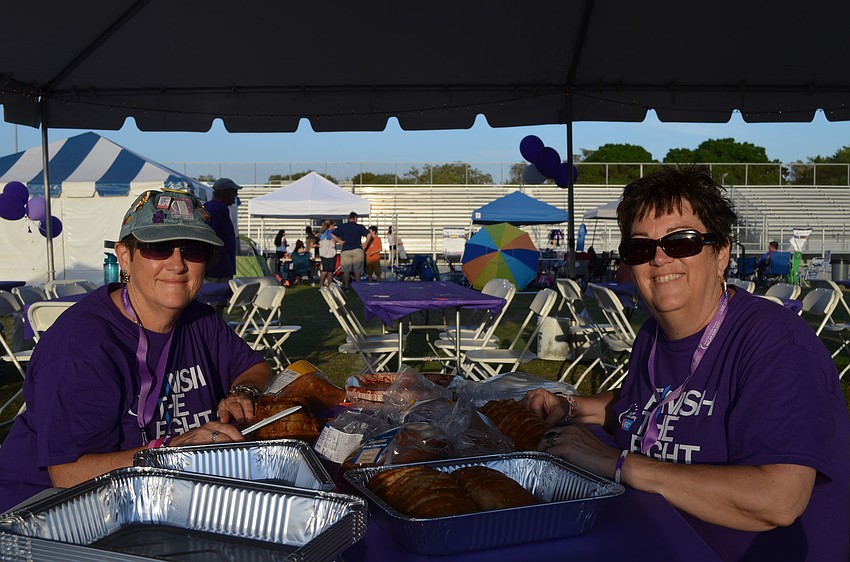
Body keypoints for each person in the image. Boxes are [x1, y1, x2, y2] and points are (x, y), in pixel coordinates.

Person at [523, 166, 849, 562]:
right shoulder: (652, 335)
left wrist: (617, 464)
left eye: (681, 242)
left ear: (721, 253)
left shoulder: (775, 342)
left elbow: (778, 500)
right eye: (640, 248)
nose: (659, 259)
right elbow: (645, 406)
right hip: (659, 538)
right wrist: (571, 407)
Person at [0, 190, 273, 513]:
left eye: (193, 249)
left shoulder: (199, 319)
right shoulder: (83, 346)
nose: (177, 264)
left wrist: (243, 391)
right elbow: (68, 474)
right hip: (50, 512)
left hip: (159, 499)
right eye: (158, 247)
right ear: (124, 256)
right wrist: (174, 449)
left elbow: (256, 368)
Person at [204, 178, 241, 282]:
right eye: (234, 191)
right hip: (220, 267)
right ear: (226, 192)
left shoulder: (206, 206)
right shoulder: (221, 209)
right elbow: (213, 235)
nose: (236, 195)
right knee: (219, 291)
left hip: (211, 266)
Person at [333, 212, 373, 290]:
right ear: (355, 218)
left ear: (349, 218)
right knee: (357, 270)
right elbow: (369, 235)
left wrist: (339, 241)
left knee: (346, 270)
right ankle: (358, 286)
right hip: (357, 249)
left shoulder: (343, 226)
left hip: (346, 249)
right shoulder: (359, 227)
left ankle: (346, 286)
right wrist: (365, 243)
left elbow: (333, 234)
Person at [318, 220, 337, 287]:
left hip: (323, 253)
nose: (334, 227)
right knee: (330, 271)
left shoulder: (322, 233)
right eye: (333, 225)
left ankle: (321, 284)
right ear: (330, 226)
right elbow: (333, 244)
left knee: (325, 270)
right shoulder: (332, 233)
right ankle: (329, 285)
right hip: (331, 253)